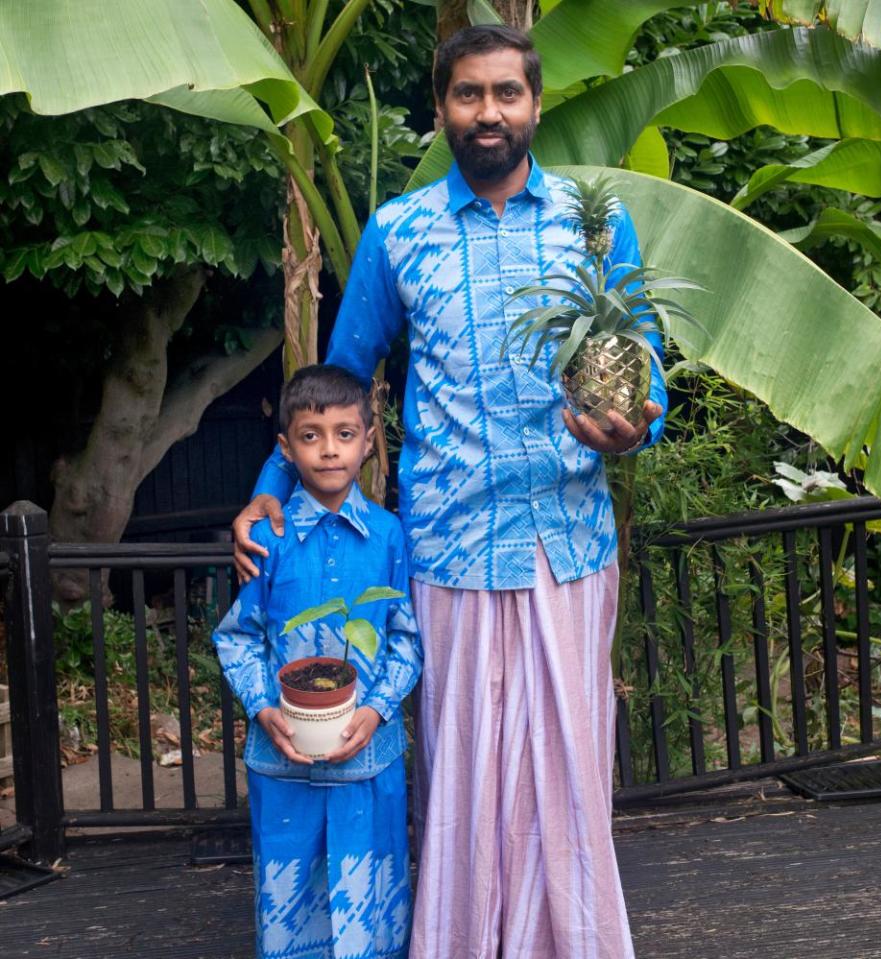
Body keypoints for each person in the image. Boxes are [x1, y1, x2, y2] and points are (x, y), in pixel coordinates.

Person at [234, 25, 667, 959]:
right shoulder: (401, 233)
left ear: (536, 104)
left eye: (507, 93)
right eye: (468, 95)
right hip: (451, 547)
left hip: (569, 541)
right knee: (466, 777)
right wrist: (273, 488)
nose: (489, 112)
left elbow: (641, 359)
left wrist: (642, 419)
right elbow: (343, 376)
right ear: (441, 110)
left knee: (571, 775)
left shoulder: (597, 226)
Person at [214, 364, 422, 959]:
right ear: (286, 447)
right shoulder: (267, 540)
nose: (329, 450)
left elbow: (407, 640)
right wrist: (261, 707)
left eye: (345, 434)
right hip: (284, 763)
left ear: (369, 437)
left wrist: (378, 710)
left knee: (372, 911)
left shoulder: (388, 536)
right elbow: (238, 637)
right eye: (311, 436)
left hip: (369, 761)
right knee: (288, 908)